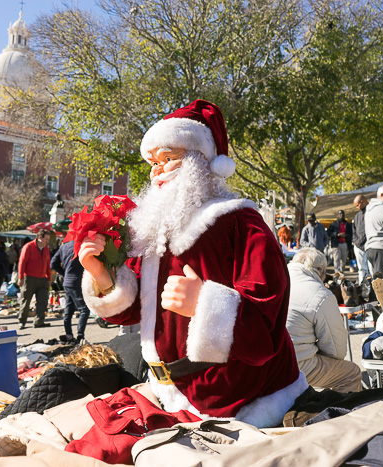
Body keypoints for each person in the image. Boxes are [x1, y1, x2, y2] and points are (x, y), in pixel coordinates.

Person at [79, 100, 306, 428]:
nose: (157, 171)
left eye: (168, 158)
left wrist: (204, 304)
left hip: (243, 402)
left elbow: (265, 330)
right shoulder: (159, 231)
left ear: (203, 161)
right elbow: (133, 312)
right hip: (172, 396)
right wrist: (101, 275)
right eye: (153, 162)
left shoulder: (241, 222)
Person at [286, 248, 362, 393]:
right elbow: (337, 351)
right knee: (351, 373)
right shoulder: (319, 294)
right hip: (291, 365)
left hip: (261, 363)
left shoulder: (275, 277)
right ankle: (340, 415)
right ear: (320, 270)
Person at [51, 239, 90, 344]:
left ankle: (69, 335)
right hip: (77, 281)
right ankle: (80, 336)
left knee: (69, 310)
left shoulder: (63, 247)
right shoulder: (82, 245)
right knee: (84, 310)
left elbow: (53, 263)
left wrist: (64, 273)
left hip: (67, 282)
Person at [17, 230, 52, 329]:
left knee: (42, 301)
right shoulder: (28, 247)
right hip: (29, 278)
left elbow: (47, 265)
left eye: (48, 239)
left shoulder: (46, 249)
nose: (47, 241)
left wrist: (49, 279)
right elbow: (22, 262)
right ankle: (22, 322)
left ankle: (39, 321)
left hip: (42, 279)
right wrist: (21, 278)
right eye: (46, 239)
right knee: (26, 300)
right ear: (40, 237)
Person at [327, 210, 352, 275]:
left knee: (343, 260)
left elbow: (351, 234)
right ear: (338, 215)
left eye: (342, 214)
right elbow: (328, 233)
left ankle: (342, 271)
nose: (341, 215)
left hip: (344, 243)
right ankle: (337, 272)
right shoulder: (333, 224)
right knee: (336, 259)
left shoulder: (347, 224)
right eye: (340, 214)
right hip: (336, 244)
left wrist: (346, 235)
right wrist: (337, 234)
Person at [352, 195, 370, 283]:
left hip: (370, 245)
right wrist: (355, 241)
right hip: (358, 246)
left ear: (362, 202)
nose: (357, 207)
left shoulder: (372, 212)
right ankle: (362, 286)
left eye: (357, 205)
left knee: (372, 269)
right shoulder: (357, 215)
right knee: (361, 269)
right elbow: (354, 229)